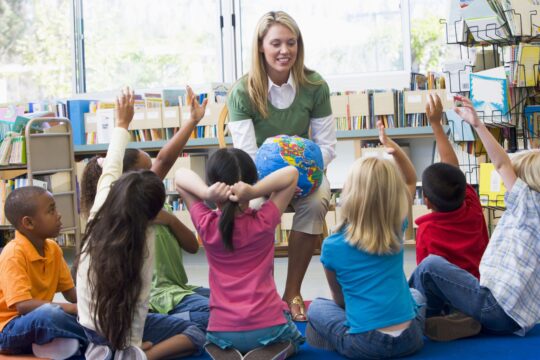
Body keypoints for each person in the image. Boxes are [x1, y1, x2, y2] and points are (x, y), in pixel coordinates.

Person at [76, 89, 205, 360]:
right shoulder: (143, 238)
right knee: (200, 331)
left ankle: (108, 351)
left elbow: (111, 167)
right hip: (124, 332)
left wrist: (122, 124)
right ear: (151, 210)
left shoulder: (102, 207)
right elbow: (139, 301)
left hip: (91, 328)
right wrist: (134, 348)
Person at [227, 10, 336, 321]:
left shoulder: (315, 86)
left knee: (315, 203)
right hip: (259, 176)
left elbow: (327, 147)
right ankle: (261, 294)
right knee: (254, 205)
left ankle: (293, 292)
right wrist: (277, 185)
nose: (284, 51)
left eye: (292, 43)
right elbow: (246, 156)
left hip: (307, 174)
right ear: (261, 46)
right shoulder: (242, 92)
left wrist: (302, 176)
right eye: (276, 43)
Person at [410, 95, 540, 341]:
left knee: (429, 267)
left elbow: (502, 164)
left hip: (494, 305)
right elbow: (455, 170)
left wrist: (478, 125)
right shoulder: (475, 206)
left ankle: (409, 321)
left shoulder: (527, 203)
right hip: (517, 321)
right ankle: (466, 318)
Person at [306, 121, 425, 359]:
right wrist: (392, 147)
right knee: (416, 295)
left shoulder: (332, 245)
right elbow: (411, 180)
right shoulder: (397, 226)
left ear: (349, 194)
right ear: (394, 194)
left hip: (366, 345)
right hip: (411, 339)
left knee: (318, 307)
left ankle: (333, 339)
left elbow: (340, 301)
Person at [175, 148, 305, 360]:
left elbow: (180, 176)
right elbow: (291, 173)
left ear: (212, 184)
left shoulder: (206, 224)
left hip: (222, 329)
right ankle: (270, 351)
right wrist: (253, 192)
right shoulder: (264, 221)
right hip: (267, 326)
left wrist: (206, 193)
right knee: (295, 339)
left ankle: (222, 350)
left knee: (211, 336)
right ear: (251, 181)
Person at [0, 186, 87, 359]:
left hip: (36, 325)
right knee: (51, 314)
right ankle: (106, 342)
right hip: (8, 329)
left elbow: (71, 294)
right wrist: (76, 309)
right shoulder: (13, 253)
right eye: (51, 210)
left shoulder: (53, 249)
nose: (59, 214)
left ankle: (62, 346)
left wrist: (96, 303)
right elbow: (23, 306)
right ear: (29, 223)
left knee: (77, 315)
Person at [416, 94, 489, 279]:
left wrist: (434, 123)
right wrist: (437, 124)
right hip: (481, 287)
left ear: (427, 202)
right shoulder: (473, 208)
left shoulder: (427, 231)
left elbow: (425, 276)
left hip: (450, 303)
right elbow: (452, 168)